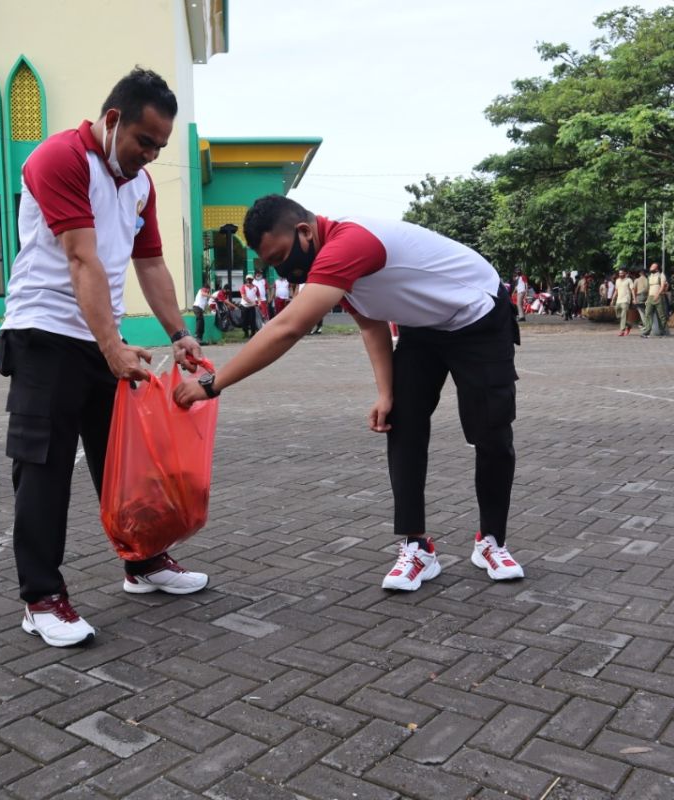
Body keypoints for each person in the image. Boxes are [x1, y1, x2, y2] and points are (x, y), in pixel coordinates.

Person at [174, 195, 525, 591]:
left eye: (282, 257)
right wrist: (384, 393)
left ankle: (491, 541)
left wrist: (212, 385)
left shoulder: (349, 243)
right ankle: (417, 547)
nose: (283, 271)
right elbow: (371, 325)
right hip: (423, 328)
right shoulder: (327, 259)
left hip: (477, 314)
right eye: (271, 265)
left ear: (305, 232)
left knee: (491, 432)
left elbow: (288, 328)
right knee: (402, 422)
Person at [0, 68, 206, 649]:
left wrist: (178, 333)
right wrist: (112, 347)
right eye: (145, 141)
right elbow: (81, 260)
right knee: (44, 468)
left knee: (122, 464)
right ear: (113, 120)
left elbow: (151, 263)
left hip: (99, 340)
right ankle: (41, 598)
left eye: (161, 146)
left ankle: (142, 563)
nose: (151, 155)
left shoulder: (139, 185)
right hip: (43, 334)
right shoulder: (58, 159)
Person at [640, 263, 669, 337]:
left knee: (661, 315)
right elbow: (650, 288)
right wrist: (647, 299)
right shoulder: (650, 276)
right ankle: (646, 331)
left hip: (659, 296)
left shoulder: (661, 275)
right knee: (647, 314)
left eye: (652, 266)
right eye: (651, 266)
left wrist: (658, 294)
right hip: (650, 297)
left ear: (657, 268)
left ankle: (663, 332)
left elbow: (662, 286)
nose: (651, 267)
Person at [613, 268, 634, 336]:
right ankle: (629, 325)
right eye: (619, 273)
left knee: (623, 315)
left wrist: (634, 298)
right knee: (618, 316)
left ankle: (622, 330)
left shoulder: (629, 280)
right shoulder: (617, 280)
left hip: (626, 300)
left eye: (622, 273)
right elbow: (616, 290)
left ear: (625, 273)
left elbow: (632, 290)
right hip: (618, 300)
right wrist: (613, 299)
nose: (620, 274)